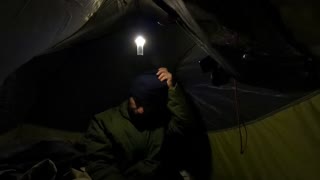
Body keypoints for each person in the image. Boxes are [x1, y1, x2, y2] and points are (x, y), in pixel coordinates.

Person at [81, 67, 195, 180]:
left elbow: (184, 124)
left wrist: (172, 88)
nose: (141, 110)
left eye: (147, 105)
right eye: (138, 102)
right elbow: (99, 164)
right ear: (130, 95)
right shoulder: (103, 122)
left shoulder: (160, 119)